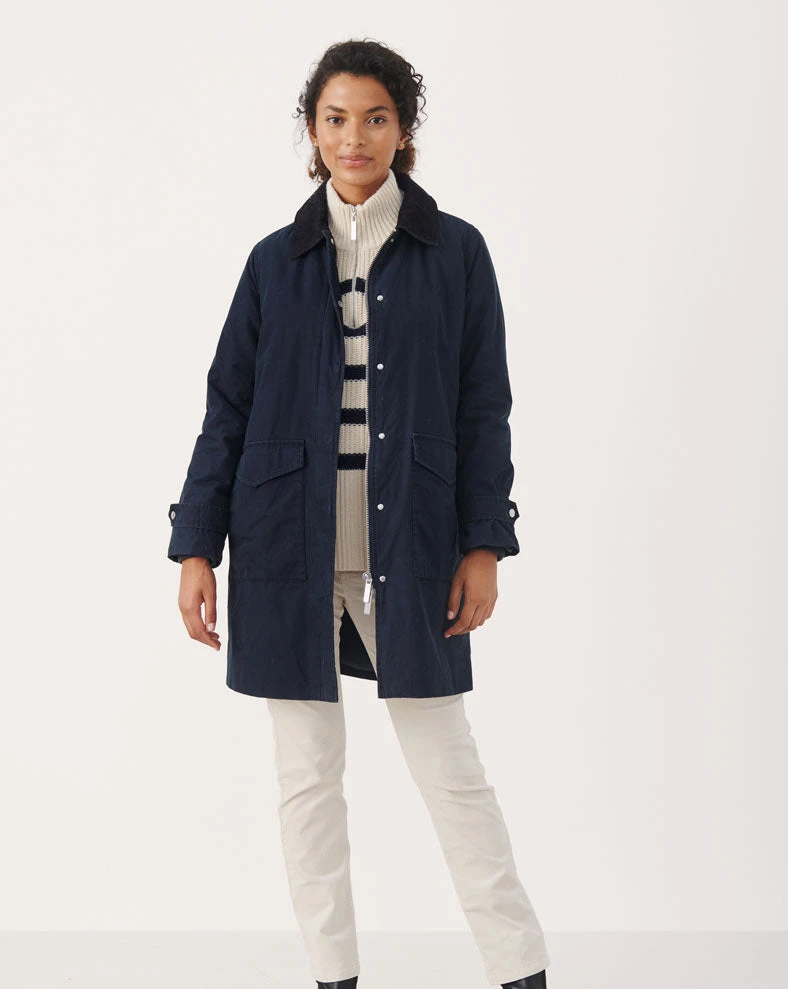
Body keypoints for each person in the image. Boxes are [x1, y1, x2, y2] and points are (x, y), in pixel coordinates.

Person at [168, 38, 550, 989]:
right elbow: (227, 409)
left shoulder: (456, 253)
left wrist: (485, 543)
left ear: (403, 130)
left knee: (452, 774)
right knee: (307, 784)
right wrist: (195, 546)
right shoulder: (274, 262)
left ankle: (522, 970)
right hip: (284, 551)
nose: (354, 137)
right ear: (312, 130)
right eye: (336, 118)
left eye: (375, 118)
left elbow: (484, 407)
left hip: (412, 548)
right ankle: (332, 976)